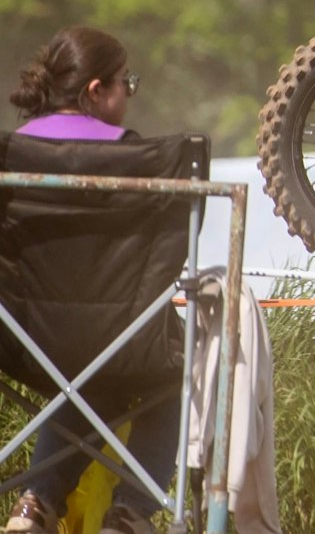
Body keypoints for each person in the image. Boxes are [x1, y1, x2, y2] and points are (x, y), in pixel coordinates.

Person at [7, 26, 167, 534]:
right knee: (178, 375)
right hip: (115, 344)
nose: (130, 94)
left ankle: (35, 505)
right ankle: (131, 514)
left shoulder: (11, 154)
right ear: (96, 91)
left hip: (20, 342)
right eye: (127, 83)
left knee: (86, 379)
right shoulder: (133, 155)